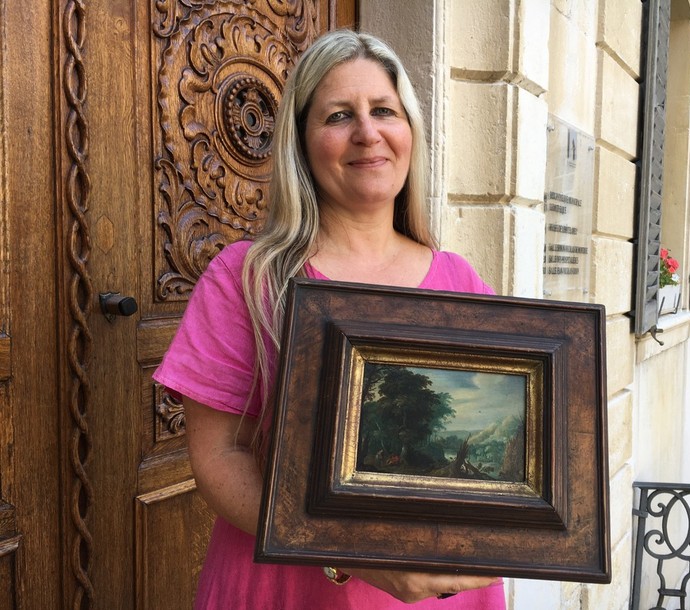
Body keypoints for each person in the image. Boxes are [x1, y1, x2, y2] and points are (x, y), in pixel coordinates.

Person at [154, 29, 506, 609]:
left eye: (384, 111)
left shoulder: (461, 282)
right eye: (339, 115)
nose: (368, 133)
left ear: (410, 130)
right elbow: (219, 456)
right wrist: (352, 555)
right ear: (302, 142)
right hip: (285, 589)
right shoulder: (249, 278)